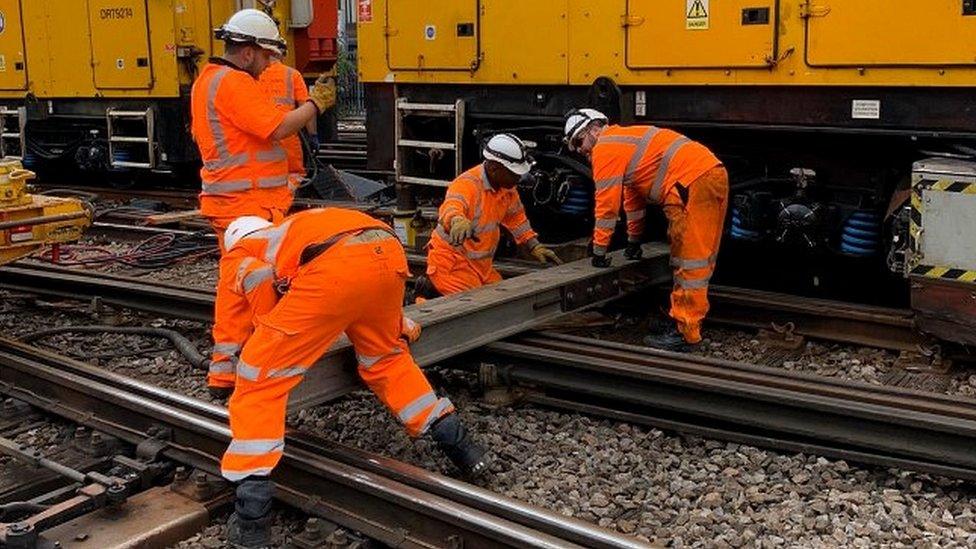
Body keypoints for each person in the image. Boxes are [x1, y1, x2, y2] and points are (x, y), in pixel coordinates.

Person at [214, 208, 488, 547]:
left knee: (259, 377)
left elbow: (241, 311)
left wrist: (227, 371)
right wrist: (396, 324)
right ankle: (462, 447)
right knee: (387, 360)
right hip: (386, 251)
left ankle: (252, 516)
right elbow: (359, 281)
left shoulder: (239, 251)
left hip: (336, 266)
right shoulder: (297, 227)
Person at [564, 108, 728, 352]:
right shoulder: (624, 144)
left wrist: (598, 251)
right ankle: (680, 317)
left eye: (579, 141)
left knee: (692, 261)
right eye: (575, 148)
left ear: (593, 129)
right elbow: (633, 201)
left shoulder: (605, 149)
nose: (580, 150)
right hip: (700, 178)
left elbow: (607, 207)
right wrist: (633, 241)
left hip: (693, 183)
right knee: (691, 257)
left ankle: (686, 333)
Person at [190, 8, 335, 252]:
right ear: (248, 54)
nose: (269, 65)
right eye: (266, 57)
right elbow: (278, 128)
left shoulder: (207, 79)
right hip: (246, 204)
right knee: (255, 277)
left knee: (243, 275)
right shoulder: (234, 82)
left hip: (234, 202)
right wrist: (316, 103)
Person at [416, 133, 562, 300]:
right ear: (494, 168)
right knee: (477, 310)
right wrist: (457, 220)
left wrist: (534, 245)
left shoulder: (507, 188)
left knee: (504, 302)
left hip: (480, 267)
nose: (518, 178)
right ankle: (424, 305)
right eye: (514, 173)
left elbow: (516, 219)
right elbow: (452, 205)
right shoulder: (467, 184)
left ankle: (431, 292)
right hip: (452, 264)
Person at [258, 58, 317, 189]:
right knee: (294, 175)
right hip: (288, 136)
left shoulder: (253, 75)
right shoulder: (292, 74)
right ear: (284, 54)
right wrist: (313, 135)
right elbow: (305, 107)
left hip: (261, 136)